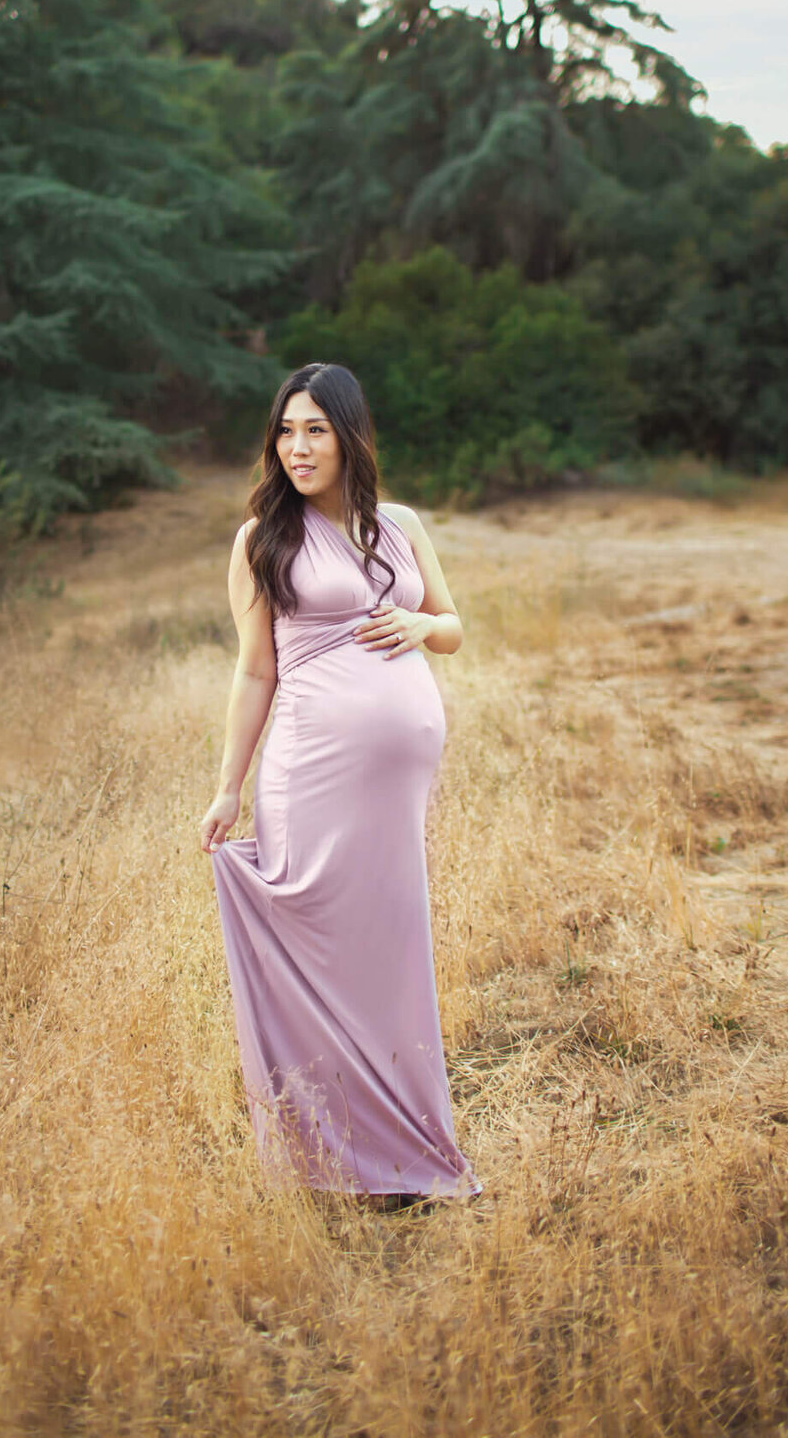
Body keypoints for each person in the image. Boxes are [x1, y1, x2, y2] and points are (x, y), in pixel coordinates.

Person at [200, 361, 481, 1206]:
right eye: (285, 431)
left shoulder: (398, 524)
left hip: (393, 794)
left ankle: (402, 1145)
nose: (297, 446)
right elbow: (255, 675)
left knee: (388, 954)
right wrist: (227, 789)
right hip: (309, 775)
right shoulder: (262, 541)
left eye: (315, 428)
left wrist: (423, 621)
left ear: (350, 434)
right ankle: (327, 1161)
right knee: (321, 957)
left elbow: (455, 627)